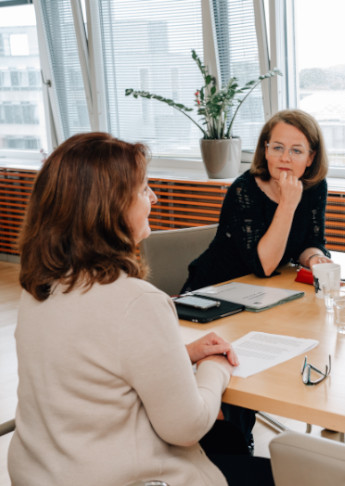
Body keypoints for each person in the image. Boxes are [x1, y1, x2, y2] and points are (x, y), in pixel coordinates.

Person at [9, 132, 274, 486]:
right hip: (124, 477)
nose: (153, 197)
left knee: (229, 442)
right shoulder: (135, 301)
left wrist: (179, 355)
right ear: (108, 208)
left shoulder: (40, 285)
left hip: (45, 473)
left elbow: (87, 367)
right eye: (142, 189)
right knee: (280, 471)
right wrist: (215, 368)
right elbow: (187, 427)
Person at [182, 109, 332, 293]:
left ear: (311, 157)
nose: (285, 158)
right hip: (217, 290)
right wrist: (287, 204)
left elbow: (312, 241)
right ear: (266, 150)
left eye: (296, 150)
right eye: (277, 147)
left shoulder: (314, 187)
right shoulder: (243, 190)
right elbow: (264, 266)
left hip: (263, 292)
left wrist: (314, 258)